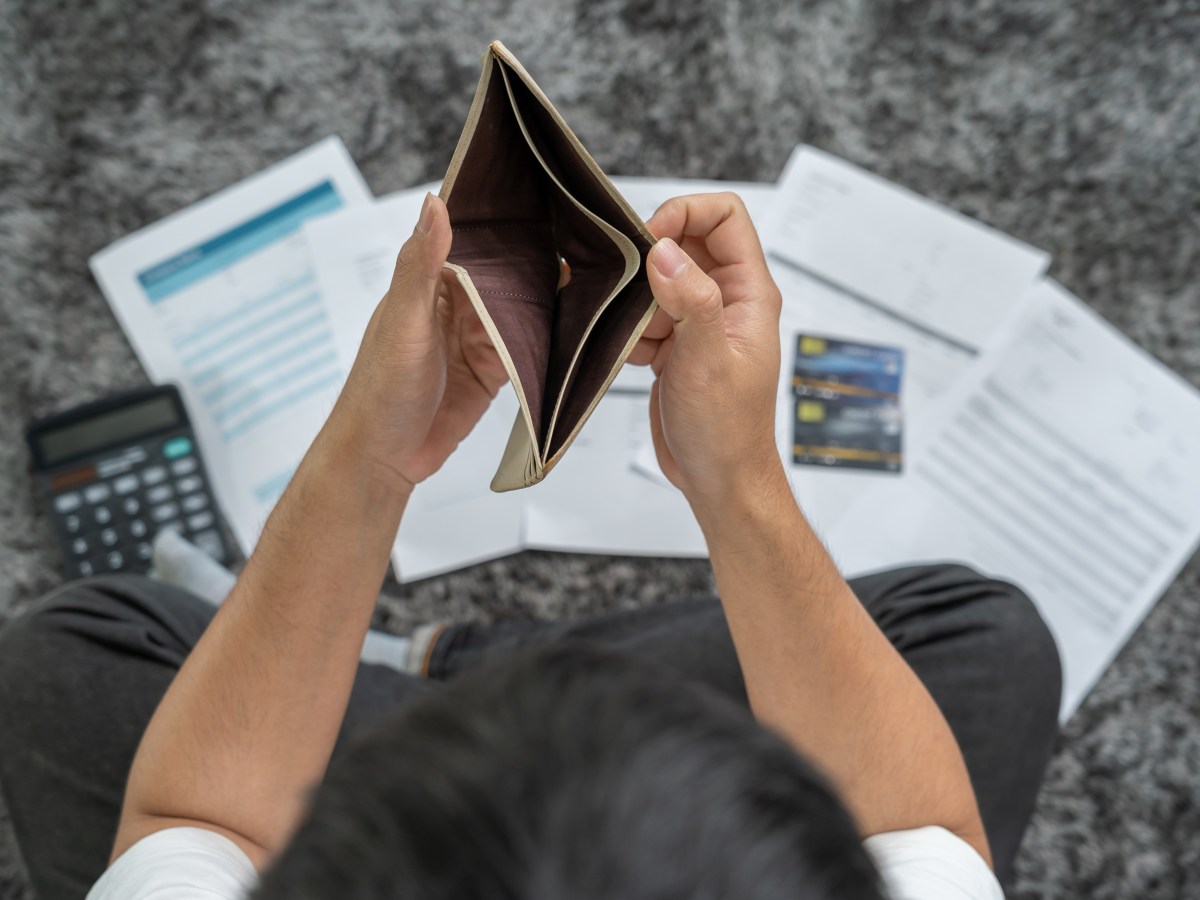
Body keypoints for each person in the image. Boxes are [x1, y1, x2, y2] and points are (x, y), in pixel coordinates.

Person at [0, 193, 1062, 900]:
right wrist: (734, 484)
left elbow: (198, 813)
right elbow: (927, 825)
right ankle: (454, 678)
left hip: (366, 742)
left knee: (74, 651)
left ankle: (426, 670)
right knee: (981, 636)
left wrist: (372, 461)